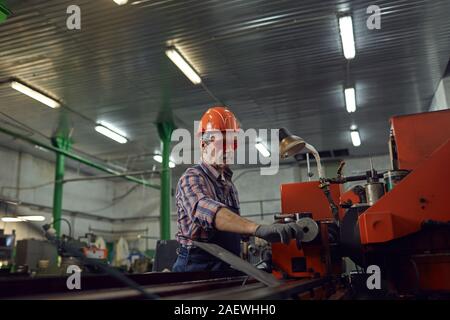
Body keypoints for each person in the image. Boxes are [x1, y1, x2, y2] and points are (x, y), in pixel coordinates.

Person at [172, 106, 303, 272]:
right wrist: (258, 229)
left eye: (232, 143)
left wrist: (267, 231)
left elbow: (232, 227)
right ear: (204, 143)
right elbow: (208, 211)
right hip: (195, 269)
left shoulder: (228, 184)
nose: (228, 149)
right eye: (221, 143)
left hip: (224, 264)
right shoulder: (192, 178)